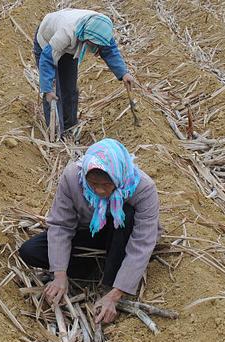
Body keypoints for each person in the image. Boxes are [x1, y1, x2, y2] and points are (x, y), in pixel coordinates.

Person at [19, 138, 160, 324]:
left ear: (118, 176)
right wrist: (59, 274)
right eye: (93, 184)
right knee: (30, 251)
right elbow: (61, 226)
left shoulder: (143, 188)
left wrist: (115, 295)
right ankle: (90, 268)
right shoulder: (73, 178)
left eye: (106, 184)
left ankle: (109, 281)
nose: (99, 191)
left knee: (127, 214)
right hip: (89, 232)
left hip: (121, 238)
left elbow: (142, 244)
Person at [34, 9, 136, 131]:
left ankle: (69, 128)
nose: (96, 48)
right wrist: (47, 88)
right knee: (53, 93)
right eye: (93, 44)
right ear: (86, 38)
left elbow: (109, 50)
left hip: (69, 48)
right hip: (47, 43)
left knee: (69, 89)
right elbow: (47, 58)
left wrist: (124, 73)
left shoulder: (101, 29)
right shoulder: (66, 33)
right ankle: (55, 134)